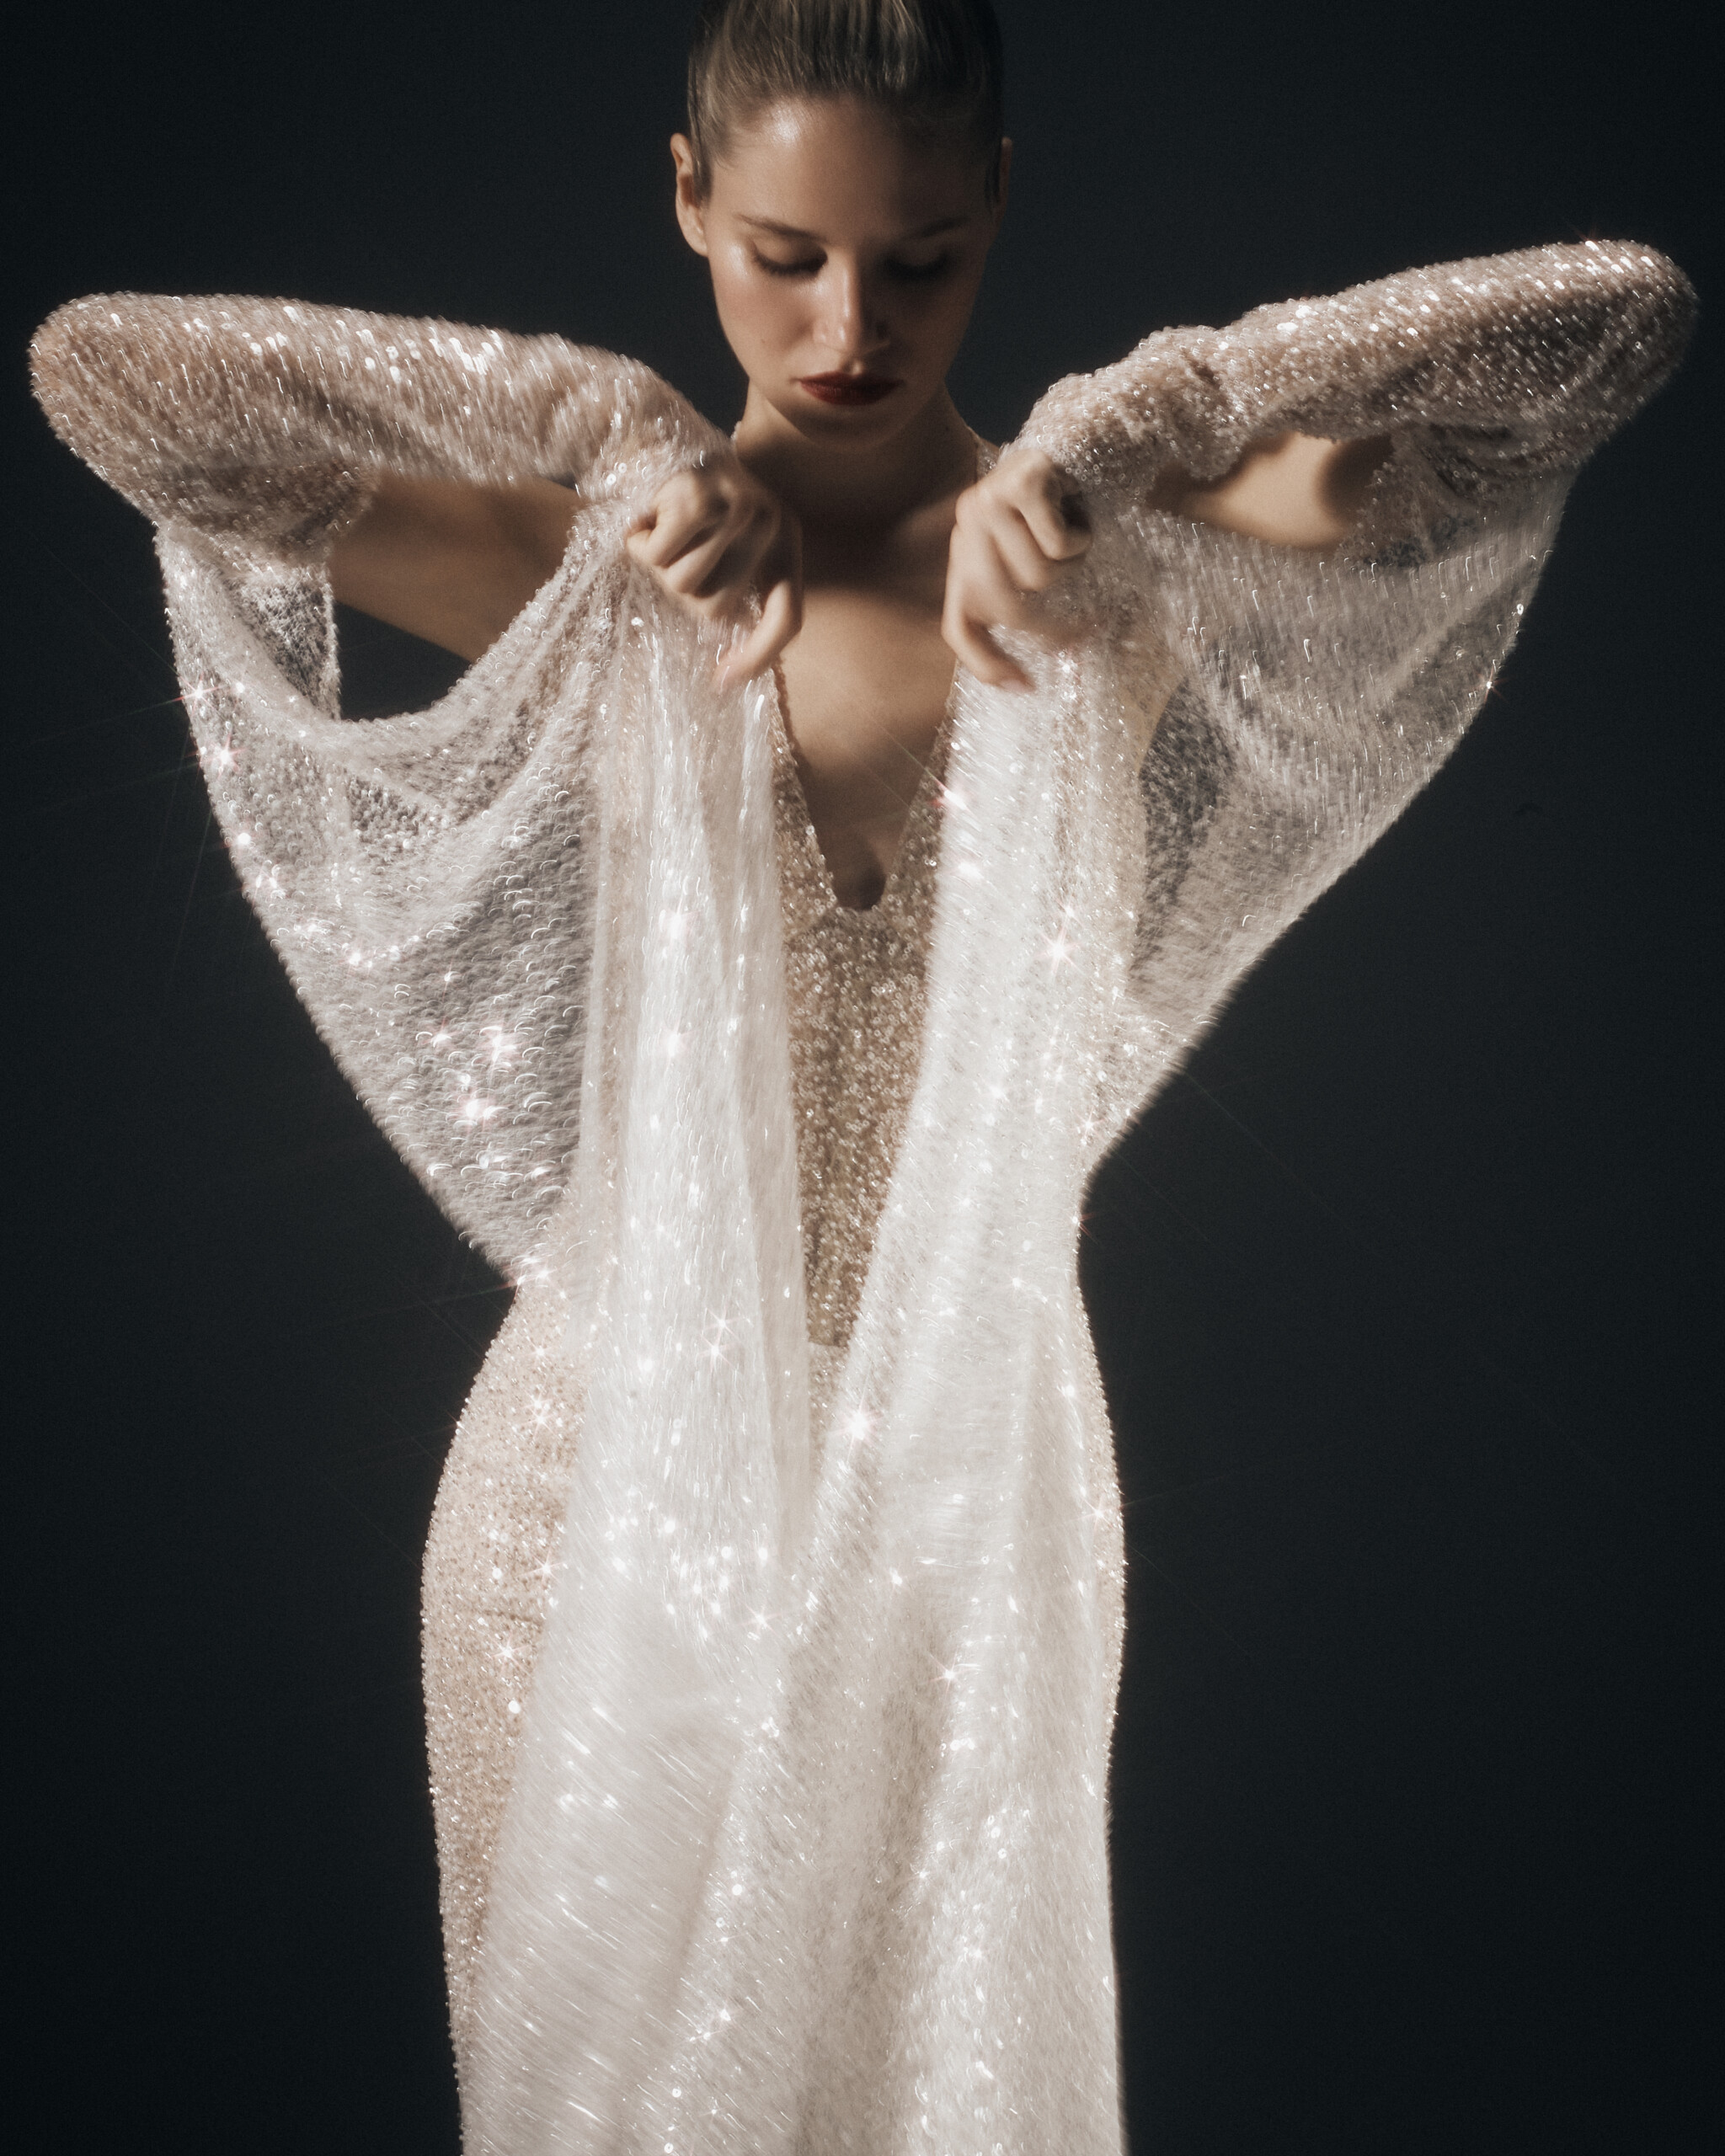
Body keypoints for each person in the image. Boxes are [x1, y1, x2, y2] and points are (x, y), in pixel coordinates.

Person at [29, 1, 1690, 2147]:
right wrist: (588, 419)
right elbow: (106, 380)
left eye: (918, 260)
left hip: (957, 1504)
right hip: (594, 1492)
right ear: (687, 202)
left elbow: (1607, 328)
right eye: (784, 255)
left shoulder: (1125, 553)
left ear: (997, 204)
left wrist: (1139, 425)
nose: (847, 326)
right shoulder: (598, 567)